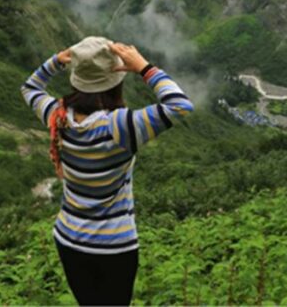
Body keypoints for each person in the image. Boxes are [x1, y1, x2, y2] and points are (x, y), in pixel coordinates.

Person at [20, 36, 194, 306]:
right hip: (113, 245)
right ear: (115, 81)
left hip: (68, 238)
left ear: (76, 80)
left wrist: (56, 61)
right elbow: (180, 105)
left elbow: (30, 87)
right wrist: (144, 68)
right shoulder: (121, 127)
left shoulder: (56, 115)